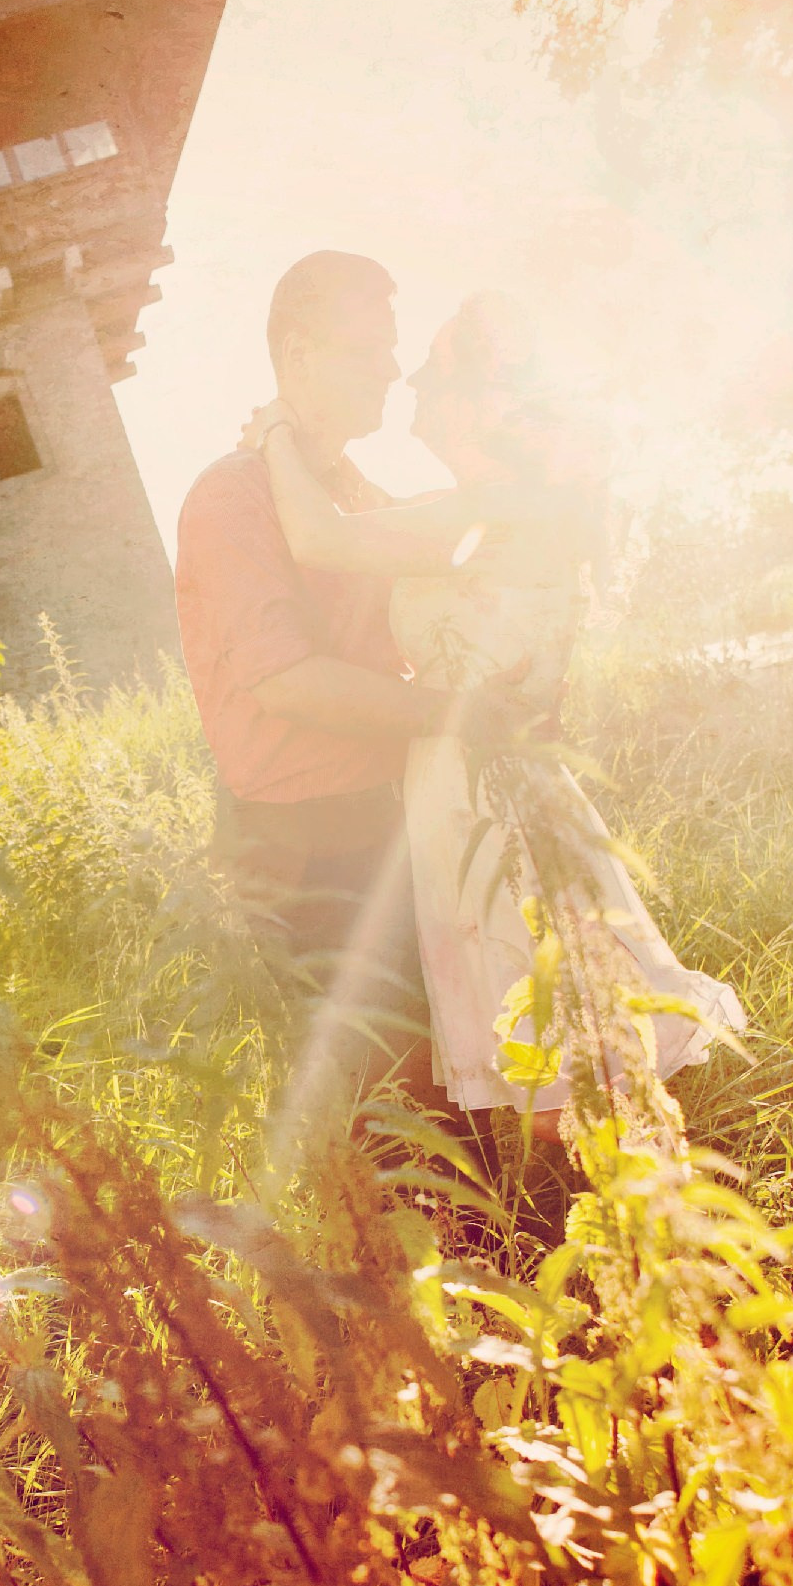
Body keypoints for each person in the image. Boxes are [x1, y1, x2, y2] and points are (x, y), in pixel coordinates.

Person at [241, 291, 747, 1136]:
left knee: (565, 1038)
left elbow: (324, 540)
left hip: (497, 792)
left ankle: (649, 1210)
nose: (407, 383)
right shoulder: (478, 508)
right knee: (540, 1041)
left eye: (434, 373)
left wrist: (273, 438)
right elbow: (362, 526)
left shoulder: (510, 502)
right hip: (455, 791)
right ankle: (618, 1209)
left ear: (486, 401)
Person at [173, 252, 529, 1115]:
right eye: (367, 349)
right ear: (297, 356)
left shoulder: (346, 493)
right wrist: (457, 717)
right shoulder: (231, 497)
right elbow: (284, 679)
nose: (392, 371)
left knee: (471, 1065)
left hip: (399, 809)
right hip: (310, 841)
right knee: (396, 1095)